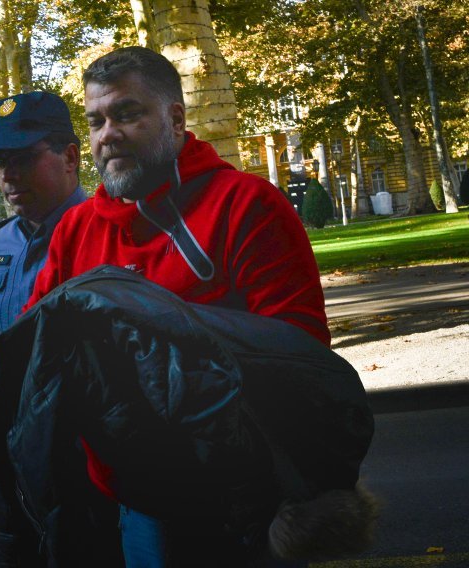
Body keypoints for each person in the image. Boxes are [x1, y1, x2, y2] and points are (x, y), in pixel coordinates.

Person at [20, 47, 333, 566]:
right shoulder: (75, 230)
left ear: (176, 118)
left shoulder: (247, 205)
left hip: (243, 504)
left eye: (127, 114)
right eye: (95, 121)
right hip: (129, 502)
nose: (107, 134)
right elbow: (37, 355)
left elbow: (300, 354)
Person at [0, 91, 86, 337]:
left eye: (24, 159)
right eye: (1, 162)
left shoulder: (108, 232)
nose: (8, 175)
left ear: (70, 157)